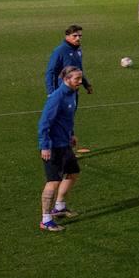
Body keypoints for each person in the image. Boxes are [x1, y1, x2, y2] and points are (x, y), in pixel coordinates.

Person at [38, 66, 84, 232]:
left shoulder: (72, 94)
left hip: (65, 143)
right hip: (53, 146)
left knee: (73, 173)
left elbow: (66, 118)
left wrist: (71, 134)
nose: (80, 82)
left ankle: (59, 207)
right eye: (77, 79)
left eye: (80, 78)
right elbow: (44, 123)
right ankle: (46, 220)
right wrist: (45, 146)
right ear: (66, 79)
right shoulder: (57, 97)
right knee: (53, 181)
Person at [45, 25, 93, 103]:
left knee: (70, 114)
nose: (78, 38)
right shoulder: (60, 51)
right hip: (61, 91)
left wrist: (86, 84)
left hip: (74, 91)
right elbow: (50, 72)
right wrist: (51, 93)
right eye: (75, 36)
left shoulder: (78, 51)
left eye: (80, 36)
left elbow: (79, 70)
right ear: (67, 36)